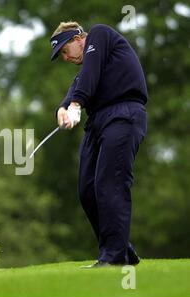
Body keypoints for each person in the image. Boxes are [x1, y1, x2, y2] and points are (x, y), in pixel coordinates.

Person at [50, 21, 148, 267]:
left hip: (124, 114)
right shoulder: (89, 67)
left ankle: (113, 258)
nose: (65, 57)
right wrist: (63, 108)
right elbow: (79, 84)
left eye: (64, 50)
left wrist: (75, 105)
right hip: (98, 122)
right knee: (87, 190)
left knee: (110, 184)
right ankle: (123, 251)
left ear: (78, 38)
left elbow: (88, 77)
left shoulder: (100, 35)